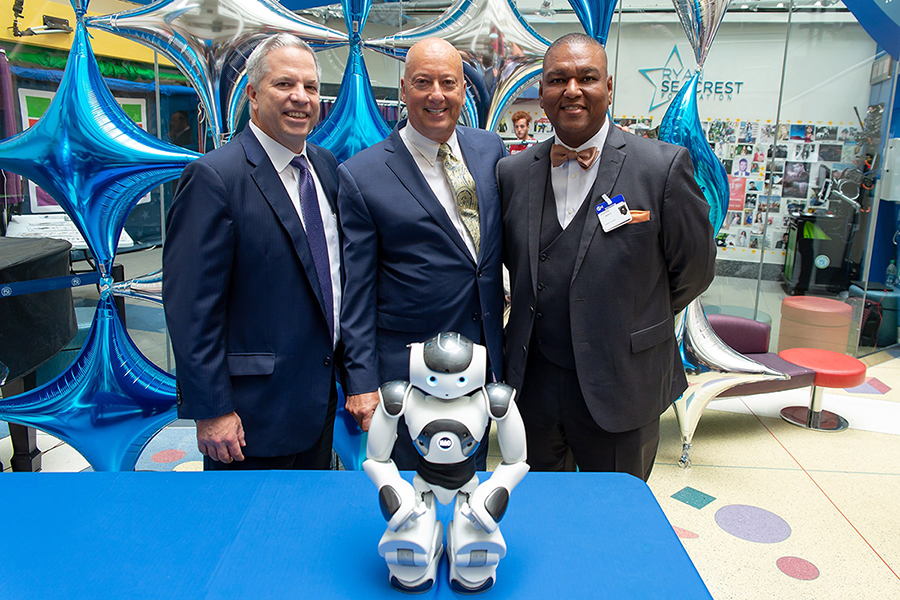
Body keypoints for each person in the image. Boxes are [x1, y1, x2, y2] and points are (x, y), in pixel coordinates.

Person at [497, 33, 715, 480]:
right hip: (534, 385)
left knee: (616, 519)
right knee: (540, 512)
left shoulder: (662, 168)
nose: (572, 90)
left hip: (624, 381)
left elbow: (694, 269)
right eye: (557, 79)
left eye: (587, 78)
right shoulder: (512, 173)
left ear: (609, 88)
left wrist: (634, 312)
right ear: (541, 93)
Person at [163, 34, 341, 470]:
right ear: (252, 94)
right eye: (284, 84)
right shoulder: (214, 178)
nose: (300, 98)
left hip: (317, 404)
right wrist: (212, 409)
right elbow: (191, 307)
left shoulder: (325, 168)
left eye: (311, 87)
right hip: (248, 420)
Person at [337, 38, 506, 471]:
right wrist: (360, 382)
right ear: (404, 88)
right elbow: (357, 290)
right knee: (413, 499)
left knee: (471, 485)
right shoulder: (362, 175)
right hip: (407, 374)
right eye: (423, 82)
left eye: (448, 82)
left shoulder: (490, 151)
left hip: (480, 365)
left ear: (463, 90)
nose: (436, 94)